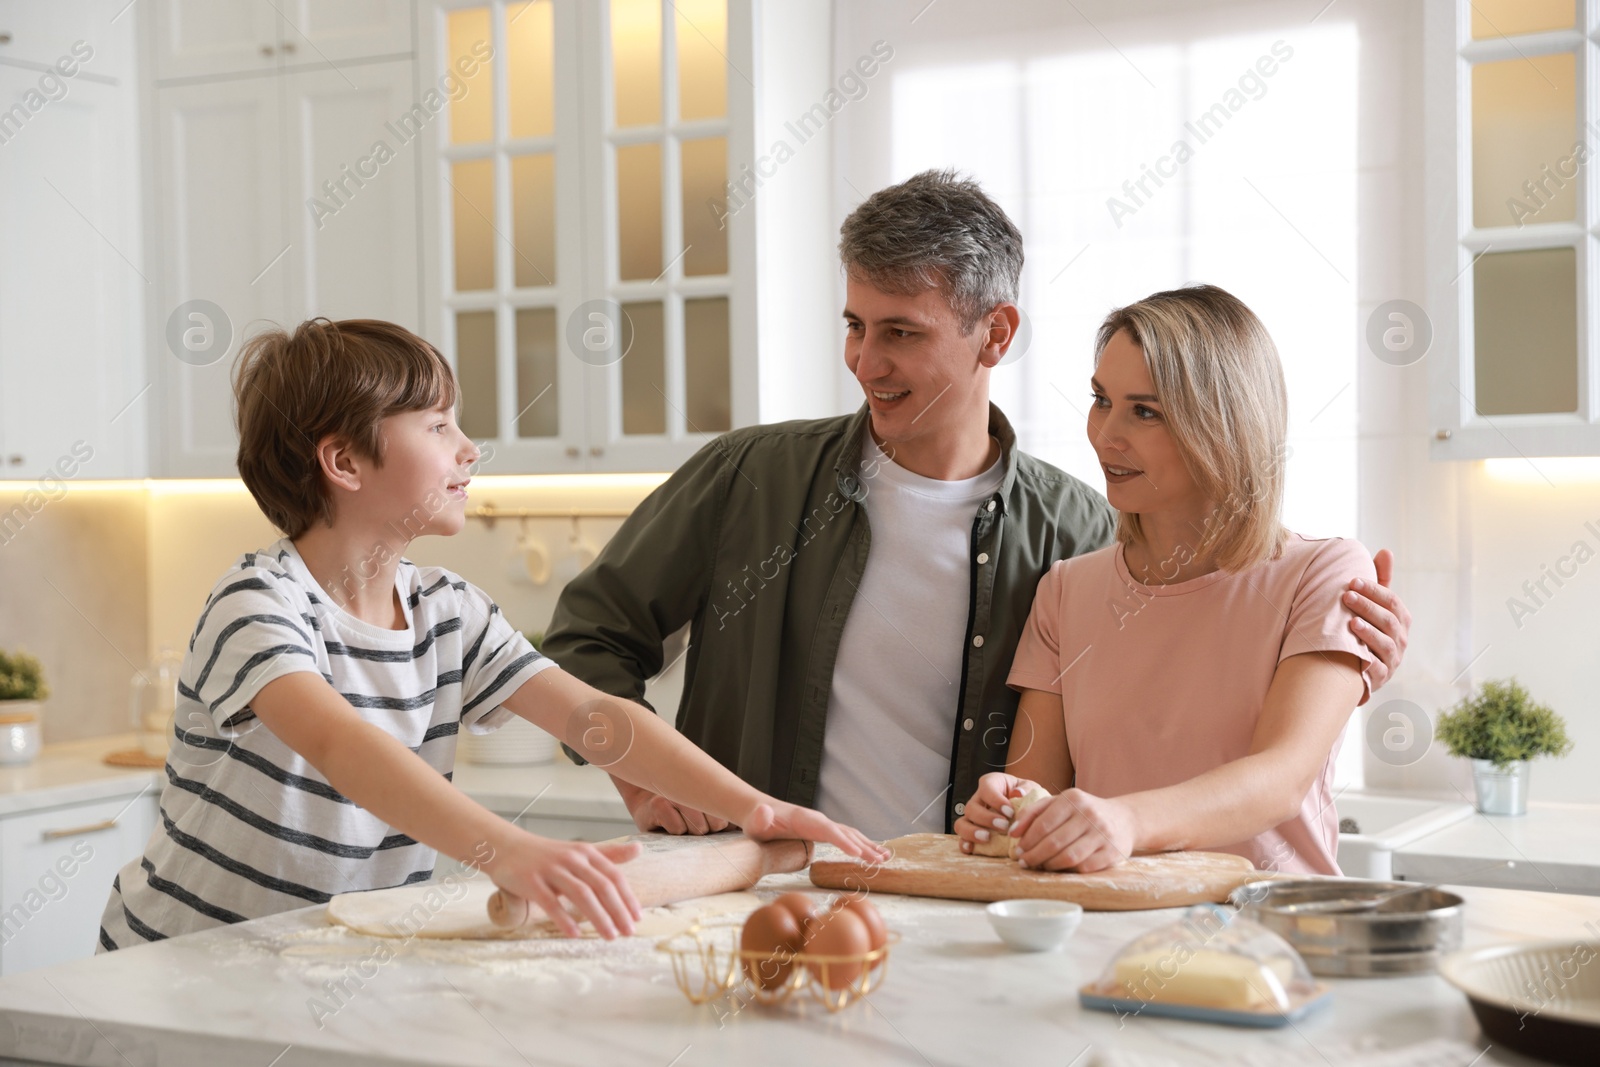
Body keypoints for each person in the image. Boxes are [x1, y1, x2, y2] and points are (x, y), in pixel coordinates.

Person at [544, 170, 1413, 843]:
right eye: (855, 324)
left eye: (901, 332)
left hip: (956, 922)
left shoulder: (1075, 534)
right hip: (756, 890)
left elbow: (1207, 606)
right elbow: (588, 636)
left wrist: (1337, 641)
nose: (864, 361)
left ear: (995, 333)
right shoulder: (750, 476)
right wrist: (634, 762)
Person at [97, 319, 884, 952]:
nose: (469, 447)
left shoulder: (447, 607)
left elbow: (593, 717)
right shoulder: (258, 604)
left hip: (322, 955)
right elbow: (344, 747)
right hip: (185, 953)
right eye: (439, 425)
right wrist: (508, 850)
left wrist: (757, 808)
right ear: (343, 460)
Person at [955, 285, 1373, 877]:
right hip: (1113, 944)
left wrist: (1126, 822)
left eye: (1144, 411)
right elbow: (1038, 791)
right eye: (1101, 400)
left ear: (1223, 425)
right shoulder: (1066, 592)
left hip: (1273, 941)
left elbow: (1280, 779)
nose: (1105, 435)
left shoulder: (1322, 575)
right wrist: (1010, 811)